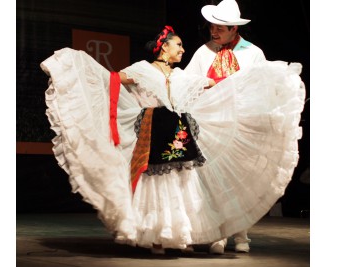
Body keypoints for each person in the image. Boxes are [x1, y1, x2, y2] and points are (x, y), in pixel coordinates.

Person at [40, 25, 305, 255]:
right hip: (150, 135)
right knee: (155, 185)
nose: (182, 50)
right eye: (178, 45)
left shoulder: (182, 76)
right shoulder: (141, 70)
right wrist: (72, 70)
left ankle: (180, 236)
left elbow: (219, 85)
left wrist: (259, 80)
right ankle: (156, 238)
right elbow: (109, 81)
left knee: (181, 186)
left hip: (178, 137)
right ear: (163, 47)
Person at [184, 0, 267, 254]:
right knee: (212, 178)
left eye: (220, 27)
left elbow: (261, 86)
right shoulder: (204, 52)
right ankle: (216, 235)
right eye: (212, 26)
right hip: (210, 123)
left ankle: (241, 234)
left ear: (234, 28)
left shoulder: (252, 53)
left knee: (238, 178)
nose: (213, 31)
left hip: (239, 122)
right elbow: (188, 81)